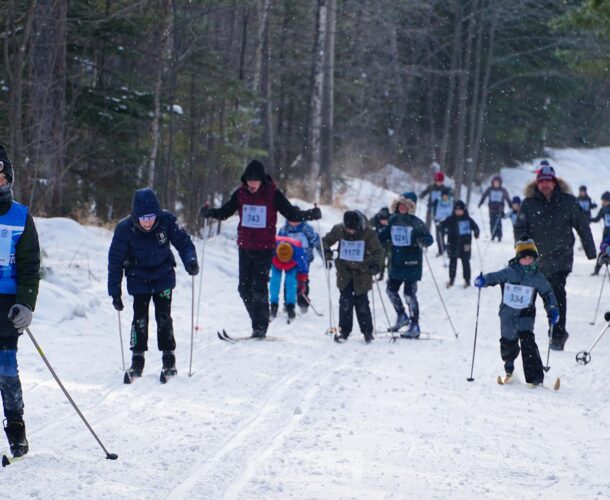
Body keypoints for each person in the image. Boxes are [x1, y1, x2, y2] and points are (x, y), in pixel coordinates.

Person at [200, 160, 321, 338]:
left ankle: (260, 326)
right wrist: (209, 213)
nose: (252, 184)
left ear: (262, 180)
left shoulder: (272, 194)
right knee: (243, 288)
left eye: (256, 181)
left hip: (264, 248)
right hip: (245, 247)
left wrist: (311, 214)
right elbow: (226, 212)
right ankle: (257, 320)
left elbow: (291, 213)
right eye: (249, 181)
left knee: (258, 287)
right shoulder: (241, 193)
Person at [108, 188, 198, 378]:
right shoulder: (125, 228)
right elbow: (115, 261)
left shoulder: (167, 221)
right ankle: (137, 359)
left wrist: (190, 260)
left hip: (163, 275)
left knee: (164, 316)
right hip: (137, 277)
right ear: (136, 216)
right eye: (143, 217)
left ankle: (168, 358)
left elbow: (184, 242)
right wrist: (114, 291)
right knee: (139, 318)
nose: (147, 221)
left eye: (150, 216)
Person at [514, 163, 596, 350]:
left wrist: (591, 252)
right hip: (535, 260)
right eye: (541, 181)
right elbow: (520, 228)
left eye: (547, 181)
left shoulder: (568, 202)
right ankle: (527, 333)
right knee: (532, 298)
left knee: (557, 294)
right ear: (537, 183)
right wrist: (522, 248)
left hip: (561, 258)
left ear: (554, 182)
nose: (544, 185)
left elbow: (582, 225)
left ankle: (558, 334)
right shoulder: (528, 204)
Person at [0, 145, 40, 458]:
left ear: (9, 180)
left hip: (8, 305)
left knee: (6, 367)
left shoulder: (21, 216)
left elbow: (29, 267)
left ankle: (16, 430)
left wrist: (26, 304)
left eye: (0, 177)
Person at [474, 239, 559, 385]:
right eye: (524, 258)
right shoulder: (509, 272)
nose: (527, 261)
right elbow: (494, 277)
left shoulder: (537, 277)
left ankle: (535, 378)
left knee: (528, 340)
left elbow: (548, 293)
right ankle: (509, 369)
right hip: (507, 314)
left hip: (526, 313)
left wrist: (552, 309)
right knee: (508, 343)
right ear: (518, 258)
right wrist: (483, 280)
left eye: (530, 258)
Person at [322, 211, 382, 344]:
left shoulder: (368, 233)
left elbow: (378, 251)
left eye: (353, 230)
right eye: (348, 229)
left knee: (362, 303)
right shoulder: (339, 229)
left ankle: (367, 332)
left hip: (363, 272)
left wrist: (376, 266)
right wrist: (327, 252)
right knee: (345, 302)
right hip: (344, 271)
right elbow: (325, 241)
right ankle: (344, 331)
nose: (350, 232)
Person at [378, 194, 433, 338]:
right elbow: (383, 236)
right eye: (400, 205)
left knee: (409, 294)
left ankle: (415, 325)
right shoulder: (393, 220)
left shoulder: (416, 222)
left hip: (412, 263)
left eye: (406, 205)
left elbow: (429, 238)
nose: (402, 207)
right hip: (396, 263)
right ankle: (401, 315)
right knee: (390, 290)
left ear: (411, 208)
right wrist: (372, 241)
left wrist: (422, 241)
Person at [278, 209, 321, 313]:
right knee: (288, 281)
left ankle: (303, 302)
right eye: (291, 220)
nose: (293, 223)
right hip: (289, 260)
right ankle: (288, 303)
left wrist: (323, 254)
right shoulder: (284, 230)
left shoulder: (306, 229)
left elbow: (316, 241)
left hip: (304, 259)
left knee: (303, 280)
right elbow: (278, 243)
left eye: (296, 220)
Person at [441, 200, 480, 288]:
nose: (458, 212)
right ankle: (451, 280)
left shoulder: (468, 219)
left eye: (460, 210)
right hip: (453, 244)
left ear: (463, 210)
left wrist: (476, 232)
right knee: (452, 262)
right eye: (456, 210)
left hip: (465, 244)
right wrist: (440, 225)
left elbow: (475, 227)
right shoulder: (451, 219)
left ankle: (467, 280)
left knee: (465, 262)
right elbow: (443, 225)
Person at [269, 236, 309, 321]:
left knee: (291, 283)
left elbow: (303, 268)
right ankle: (273, 305)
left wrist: (302, 281)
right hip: (276, 262)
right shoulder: (271, 246)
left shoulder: (298, 252)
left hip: (292, 264)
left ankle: (290, 305)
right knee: (274, 282)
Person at [478, 175, 511, 242]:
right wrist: (480, 203)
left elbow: (507, 198)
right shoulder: (490, 189)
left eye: (497, 182)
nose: (496, 184)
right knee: (492, 222)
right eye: (495, 182)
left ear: (500, 183)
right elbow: (484, 196)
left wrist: (511, 206)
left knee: (498, 223)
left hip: (500, 209)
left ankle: (499, 236)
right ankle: (493, 235)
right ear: (493, 182)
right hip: (491, 209)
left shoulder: (503, 190)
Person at [590, 192, 610, 276]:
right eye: (602, 201)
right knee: (603, 252)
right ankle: (596, 270)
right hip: (606, 234)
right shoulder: (603, 210)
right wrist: (589, 219)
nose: (603, 202)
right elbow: (597, 219)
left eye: (605, 201)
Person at [371, 207, 391, 281]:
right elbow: (369, 225)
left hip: (390, 245)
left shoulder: (391, 222)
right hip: (380, 244)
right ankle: (380, 275)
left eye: (386, 220)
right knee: (380, 261)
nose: (384, 222)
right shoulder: (376, 220)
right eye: (382, 220)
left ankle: (390, 277)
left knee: (390, 262)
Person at [432, 187, 453, 256]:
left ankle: (449, 250)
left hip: (449, 221)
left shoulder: (452, 202)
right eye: (444, 196)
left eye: (446, 196)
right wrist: (435, 220)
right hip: (439, 220)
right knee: (439, 236)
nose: (445, 197)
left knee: (450, 236)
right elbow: (433, 210)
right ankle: (441, 250)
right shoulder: (437, 201)